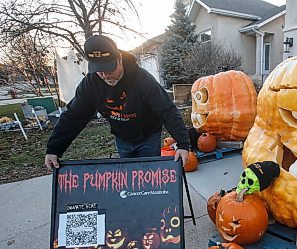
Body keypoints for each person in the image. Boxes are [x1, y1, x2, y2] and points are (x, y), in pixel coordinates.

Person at [45, 35, 190, 170]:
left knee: (148, 177)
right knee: (128, 177)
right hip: (122, 139)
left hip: (148, 136)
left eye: (109, 68)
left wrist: (183, 144)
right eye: (99, 71)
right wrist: (54, 149)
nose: (105, 75)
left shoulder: (142, 79)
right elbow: (73, 116)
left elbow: (167, 110)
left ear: (119, 58)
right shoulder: (90, 84)